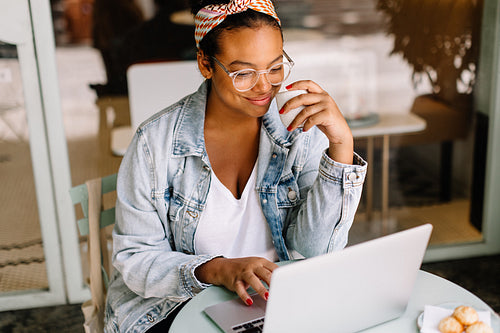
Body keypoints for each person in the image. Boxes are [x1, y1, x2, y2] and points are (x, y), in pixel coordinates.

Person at [104, 0, 367, 332]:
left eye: (275, 68)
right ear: (205, 63)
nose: (263, 86)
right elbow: (136, 260)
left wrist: (341, 147)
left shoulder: (299, 132)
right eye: (243, 72)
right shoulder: (154, 144)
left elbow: (316, 251)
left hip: (275, 303)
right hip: (173, 308)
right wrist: (218, 269)